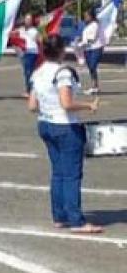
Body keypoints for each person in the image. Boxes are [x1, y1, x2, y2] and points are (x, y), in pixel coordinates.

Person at [28, 34, 102, 233]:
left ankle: (59, 216)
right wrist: (89, 105)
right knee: (71, 175)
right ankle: (76, 220)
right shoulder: (63, 72)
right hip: (65, 126)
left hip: (45, 123)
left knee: (58, 172)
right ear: (61, 50)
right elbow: (66, 103)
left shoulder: (38, 72)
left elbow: (32, 105)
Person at [13, 12, 41, 97]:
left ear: (32, 21)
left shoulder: (34, 30)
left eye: (29, 19)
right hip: (24, 52)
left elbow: (40, 40)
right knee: (26, 72)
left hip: (32, 52)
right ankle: (30, 90)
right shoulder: (22, 29)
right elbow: (12, 33)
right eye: (26, 19)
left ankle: (31, 91)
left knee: (29, 72)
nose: (27, 20)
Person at [78, 7, 103, 95]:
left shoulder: (95, 25)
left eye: (86, 16)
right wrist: (79, 40)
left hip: (96, 48)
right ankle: (95, 87)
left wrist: (81, 43)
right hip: (87, 49)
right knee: (91, 68)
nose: (85, 18)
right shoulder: (86, 25)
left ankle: (94, 86)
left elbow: (92, 39)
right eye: (84, 16)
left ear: (91, 16)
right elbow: (85, 37)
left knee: (92, 66)